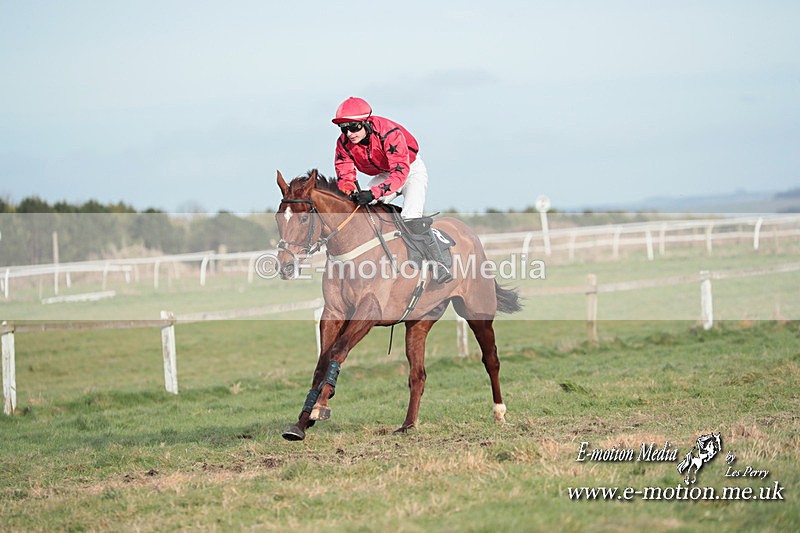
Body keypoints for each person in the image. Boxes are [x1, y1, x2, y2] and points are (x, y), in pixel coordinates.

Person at [331, 97, 452, 283]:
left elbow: (400, 172)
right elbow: (345, 175)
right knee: (361, 212)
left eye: (354, 127)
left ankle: (439, 263)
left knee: (410, 217)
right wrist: (349, 192)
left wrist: (374, 193)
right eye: (344, 128)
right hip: (385, 174)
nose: (349, 133)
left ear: (366, 122)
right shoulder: (343, 144)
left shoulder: (388, 133)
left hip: (410, 170)